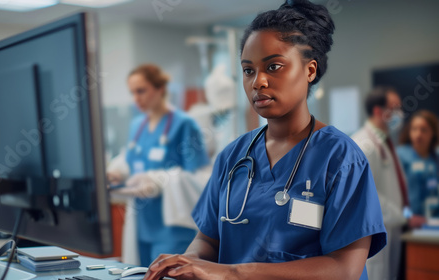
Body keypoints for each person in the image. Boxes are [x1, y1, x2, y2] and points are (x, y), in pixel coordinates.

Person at [144, 1, 387, 279]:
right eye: (248, 70)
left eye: (273, 66)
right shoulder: (233, 156)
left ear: (310, 70)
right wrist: (189, 261)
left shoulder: (341, 158)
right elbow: (208, 240)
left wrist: (234, 272)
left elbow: (344, 269)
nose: (258, 81)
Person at [107, 64, 209, 267]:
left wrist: (158, 181)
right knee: (141, 272)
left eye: (141, 91)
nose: (136, 98)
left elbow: (199, 179)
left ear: (160, 88)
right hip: (142, 222)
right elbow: (131, 161)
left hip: (172, 226)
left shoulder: (184, 124)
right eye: (133, 92)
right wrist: (118, 172)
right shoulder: (137, 126)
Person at [352, 87, 420, 280]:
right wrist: (404, 217)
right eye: (395, 107)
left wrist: (405, 216)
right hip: (375, 232)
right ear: (378, 111)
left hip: (391, 226)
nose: (400, 113)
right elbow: (366, 195)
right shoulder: (364, 145)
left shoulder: (385, 142)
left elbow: (395, 192)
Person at [397, 110, 439, 219]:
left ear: (433, 133)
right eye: (414, 129)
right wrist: (407, 217)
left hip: (434, 218)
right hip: (409, 219)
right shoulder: (401, 155)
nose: (418, 134)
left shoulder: (436, 157)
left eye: (424, 130)